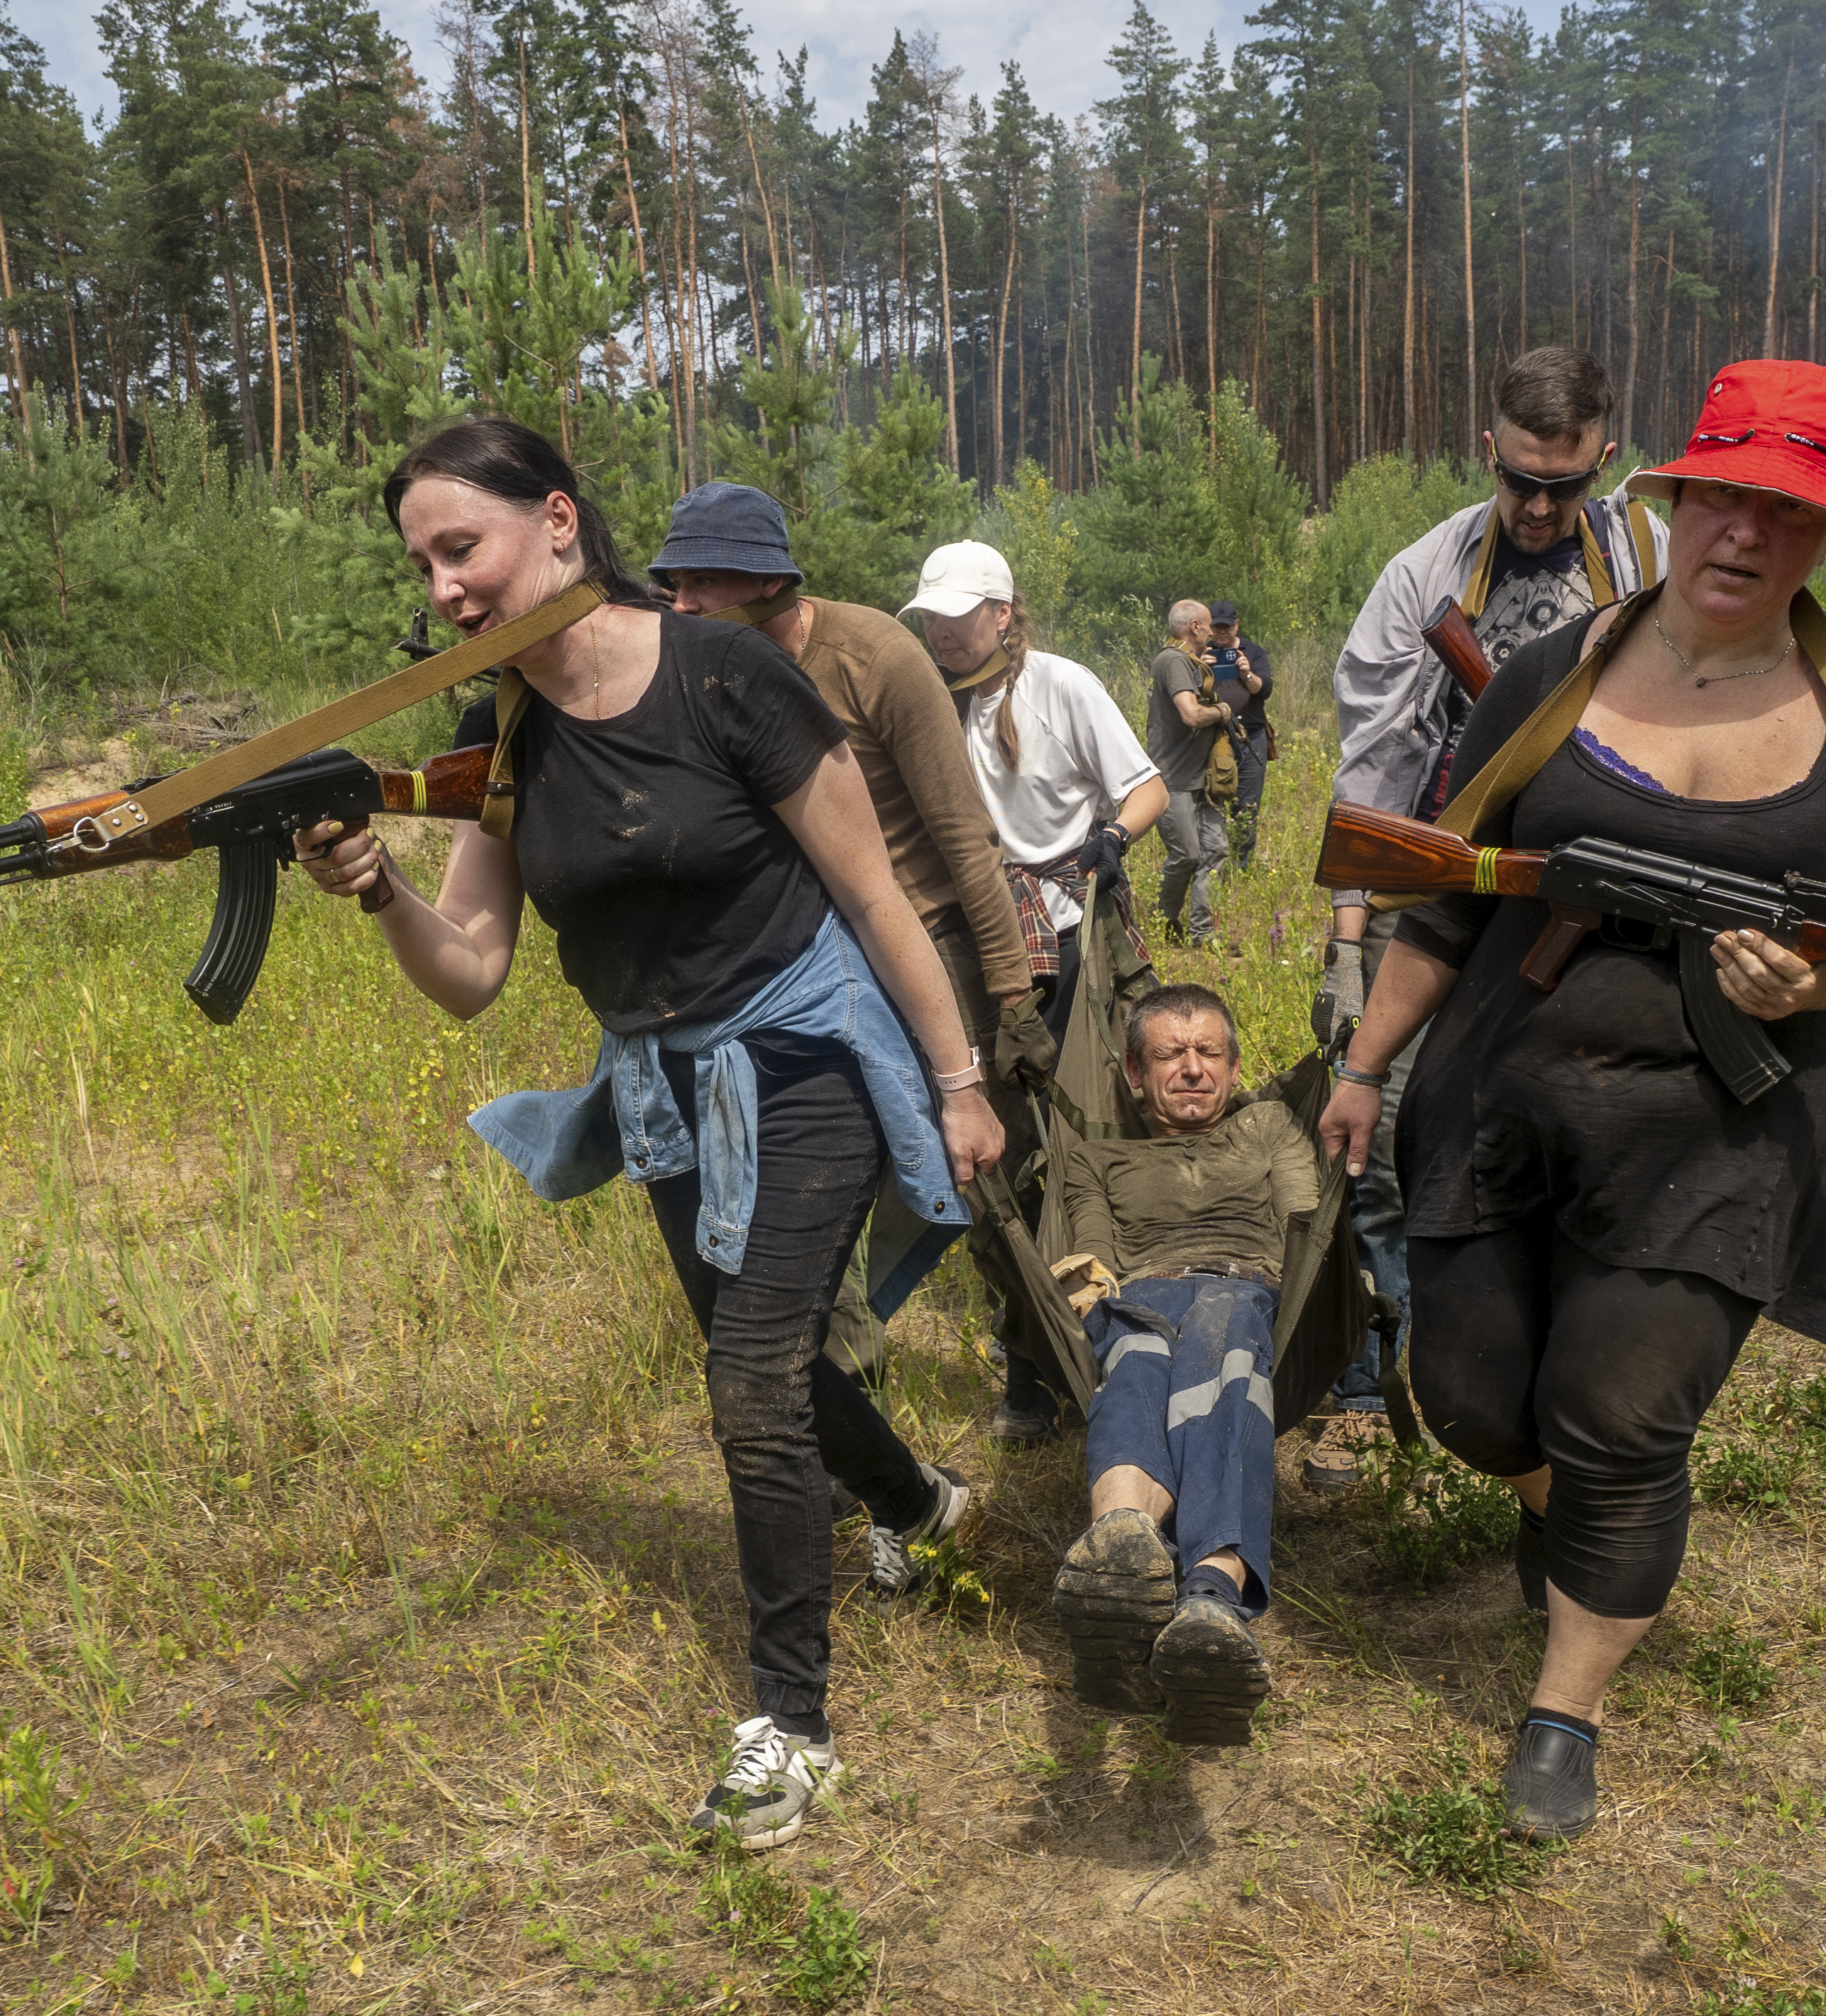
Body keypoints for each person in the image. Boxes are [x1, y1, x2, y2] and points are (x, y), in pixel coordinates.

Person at [291, 419, 1002, 1853]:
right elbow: (470, 971)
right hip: (666, 1088)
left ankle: (790, 1726)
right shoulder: (507, 732)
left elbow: (873, 892)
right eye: (422, 564)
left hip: (808, 1054)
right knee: (766, 1357)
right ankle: (920, 1503)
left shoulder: (725, 671)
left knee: (750, 1378)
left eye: (461, 547)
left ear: (558, 521)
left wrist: (959, 1078)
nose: (443, 586)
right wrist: (378, 891)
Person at [1315, 361, 1826, 1844]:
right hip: (1499, 1098)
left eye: (1787, 514)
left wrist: (1815, 984)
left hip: (1723, 1126)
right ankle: (1555, 1508)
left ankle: (1564, 1710)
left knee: (1618, 1412)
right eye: (1722, 498)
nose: (1746, 534)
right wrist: (1362, 1068)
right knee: (1474, 1401)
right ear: (1673, 502)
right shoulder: (1553, 674)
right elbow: (1446, 895)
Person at [647, 485, 1052, 1421]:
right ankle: (850, 1421)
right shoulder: (696, 670)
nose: (682, 605)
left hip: (930, 946)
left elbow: (965, 839)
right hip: (805, 968)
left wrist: (1012, 998)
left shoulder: (874, 657)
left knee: (989, 1175)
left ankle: (1037, 1369)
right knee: (813, 1193)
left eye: (704, 584)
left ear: (770, 583)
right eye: (674, 584)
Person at [1314, 346, 1669, 1410]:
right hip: (1439, 885)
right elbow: (1375, 771)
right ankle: (1375, 1374)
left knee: (1578, 1132)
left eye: (1568, 483)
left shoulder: (1652, 559)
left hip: (1605, 893)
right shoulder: (1422, 576)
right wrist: (1346, 941)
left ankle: (1550, 1379)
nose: (1541, 507)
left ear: (1607, 456)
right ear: (1488, 451)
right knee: (1376, 1137)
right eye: (1520, 479)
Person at [901, 538, 1172, 1445]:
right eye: (931, 618)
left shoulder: (1061, 686)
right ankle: (1028, 1359)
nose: (942, 632)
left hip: (1067, 942)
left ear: (1001, 612)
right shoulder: (924, 698)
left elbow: (1146, 788)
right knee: (996, 1153)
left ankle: (1126, 1337)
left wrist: (1113, 840)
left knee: (1096, 1136)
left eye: (958, 615)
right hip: (965, 953)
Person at [1047, 984, 1319, 1745]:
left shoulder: (1269, 1126)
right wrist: (1097, 1295)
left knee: (1223, 1350)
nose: (1193, 1068)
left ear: (1233, 1069)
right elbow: (1094, 1259)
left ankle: (1208, 1593)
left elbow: (1306, 1228)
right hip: (1140, 1292)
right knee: (1134, 1351)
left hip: (1248, 1288)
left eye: (1209, 1053)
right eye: (1171, 1054)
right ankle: (1121, 1551)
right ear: (1136, 1073)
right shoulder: (1095, 1157)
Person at [1144, 599, 1237, 947]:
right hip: (1174, 780)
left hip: (1202, 781)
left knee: (1215, 851)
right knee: (1187, 855)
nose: (1213, 633)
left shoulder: (1188, 661)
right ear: (1195, 626)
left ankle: (1203, 934)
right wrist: (1223, 711)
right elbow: (1192, 715)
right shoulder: (1174, 661)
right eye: (1209, 626)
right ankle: (1164, 921)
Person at [1204, 600, 1275, 868]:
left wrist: (1247, 674)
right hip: (1215, 739)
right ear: (1210, 628)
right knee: (1214, 800)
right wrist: (1200, 669)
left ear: (1237, 625)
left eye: (1227, 626)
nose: (1222, 632)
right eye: (1217, 627)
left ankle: (1241, 868)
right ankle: (1216, 865)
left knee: (1247, 806)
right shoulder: (1203, 653)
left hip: (1251, 737)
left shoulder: (1253, 652)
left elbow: (1265, 690)